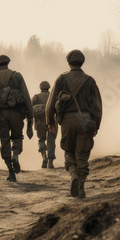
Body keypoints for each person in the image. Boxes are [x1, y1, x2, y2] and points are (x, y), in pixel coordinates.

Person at [45, 50, 102, 199]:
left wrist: (50, 122)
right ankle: (81, 185)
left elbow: (50, 104)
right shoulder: (90, 80)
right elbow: (97, 106)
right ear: (82, 63)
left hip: (67, 122)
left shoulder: (61, 79)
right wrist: (96, 125)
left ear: (69, 63)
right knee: (82, 155)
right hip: (86, 121)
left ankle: (73, 175)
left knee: (69, 151)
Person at [0, 55, 33, 182]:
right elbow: (26, 95)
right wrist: (30, 116)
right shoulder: (17, 76)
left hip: (1, 115)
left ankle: (11, 172)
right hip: (16, 113)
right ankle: (15, 155)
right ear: (8, 63)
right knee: (17, 137)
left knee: (4, 142)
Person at [32, 81, 57, 169]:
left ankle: (44, 156)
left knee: (41, 140)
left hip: (39, 122)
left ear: (40, 87)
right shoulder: (53, 96)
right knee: (51, 140)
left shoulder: (36, 97)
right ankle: (50, 162)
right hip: (52, 122)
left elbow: (31, 111)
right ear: (49, 87)